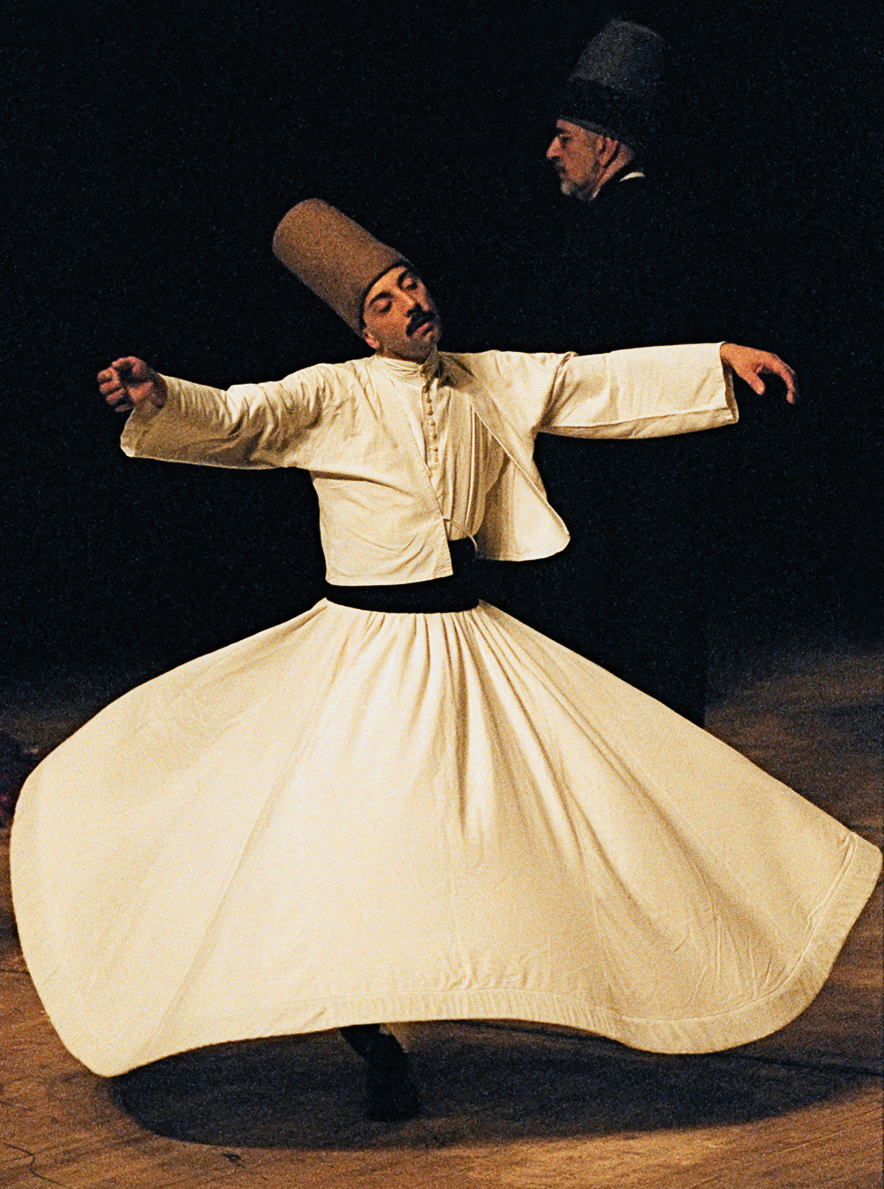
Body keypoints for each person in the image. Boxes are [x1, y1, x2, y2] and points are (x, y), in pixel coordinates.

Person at [10, 200, 879, 1128]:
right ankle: (371, 1035)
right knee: (352, 842)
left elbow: (593, 385)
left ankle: (577, 975)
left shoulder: (486, 381)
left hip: (466, 640)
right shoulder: (330, 394)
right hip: (364, 652)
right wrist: (157, 394)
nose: (410, 303)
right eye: (385, 299)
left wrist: (717, 362)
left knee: (576, 802)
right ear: (363, 325)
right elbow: (237, 417)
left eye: (412, 282)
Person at [504, 20, 742, 724]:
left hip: (622, 504)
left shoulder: (619, 232)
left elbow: (586, 364)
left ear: (605, 144)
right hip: (659, 502)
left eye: (565, 137)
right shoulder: (657, 220)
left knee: (626, 686)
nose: (551, 152)